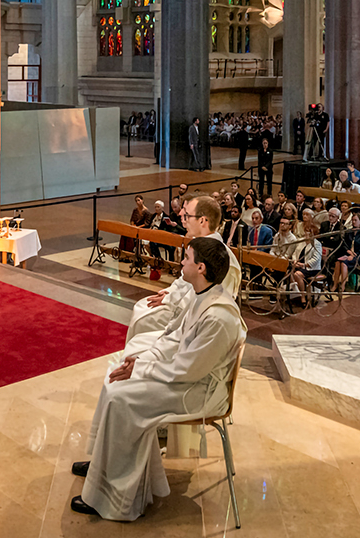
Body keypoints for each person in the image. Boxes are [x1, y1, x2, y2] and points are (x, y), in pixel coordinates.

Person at [74, 238, 244, 520]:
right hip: (187, 377)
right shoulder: (203, 295)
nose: (181, 262)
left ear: (201, 267)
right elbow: (176, 338)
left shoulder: (218, 316)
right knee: (115, 381)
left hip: (197, 392)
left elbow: (187, 370)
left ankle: (116, 499)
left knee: (121, 397)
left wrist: (141, 371)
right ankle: (101, 467)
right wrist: (143, 359)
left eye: (186, 258)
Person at [127, 198, 239, 344]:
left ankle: (139, 360)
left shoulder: (216, 254)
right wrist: (169, 292)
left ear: (202, 221)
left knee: (143, 319)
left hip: (194, 320)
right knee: (142, 308)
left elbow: (202, 297)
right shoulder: (200, 245)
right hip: (181, 303)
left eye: (187, 214)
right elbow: (184, 281)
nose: (181, 215)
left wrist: (169, 298)